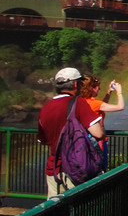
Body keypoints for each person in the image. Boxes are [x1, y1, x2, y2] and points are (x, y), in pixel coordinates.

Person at [36, 67, 105, 198]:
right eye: (80, 83)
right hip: (78, 167)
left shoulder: (46, 107)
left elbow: (42, 139)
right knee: (81, 209)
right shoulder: (78, 102)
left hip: (54, 168)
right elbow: (98, 133)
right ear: (75, 84)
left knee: (55, 210)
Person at [82, 76, 123, 169]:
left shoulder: (82, 102)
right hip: (98, 141)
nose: (99, 89)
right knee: (101, 167)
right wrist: (119, 92)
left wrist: (109, 92)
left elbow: (101, 106)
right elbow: (120, 107)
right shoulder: (95, 103)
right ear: (91, 88)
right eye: (98, 87)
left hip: (85, 141)